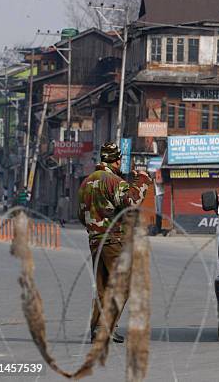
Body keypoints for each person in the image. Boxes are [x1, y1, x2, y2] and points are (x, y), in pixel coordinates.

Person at [78, 142, 152, 343]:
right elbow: (131, 201)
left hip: (95, 241)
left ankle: (97, 328)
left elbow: (80, 215)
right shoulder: (113, 181)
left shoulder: (86, 183)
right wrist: (143, 180)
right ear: (117, 160)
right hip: (113, 240)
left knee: (103, 287)